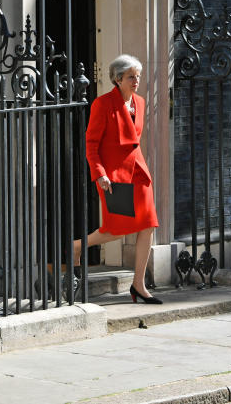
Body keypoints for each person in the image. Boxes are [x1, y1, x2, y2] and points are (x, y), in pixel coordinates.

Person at [74, 54, 161, 304]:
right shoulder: (102, 104)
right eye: (131, 77)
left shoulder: (141, 103)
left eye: (138, 76)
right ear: (118, 78)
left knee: (148, 226)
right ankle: (77, 245)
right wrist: (99, 174)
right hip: (114, 177)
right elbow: (91, 145)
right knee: (116, 229)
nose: (136, 81)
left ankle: (138, 285)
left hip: (139, 173)